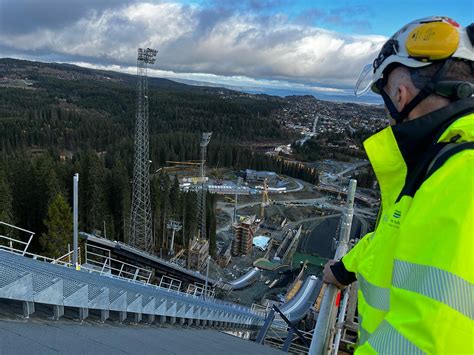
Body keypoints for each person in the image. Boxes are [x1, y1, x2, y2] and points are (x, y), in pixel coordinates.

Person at [323, 16, 474, 353]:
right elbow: (398, 236)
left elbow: (428, 341)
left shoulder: (463, 174)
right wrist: (347, 267)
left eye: (386, 93)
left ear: (400, 94)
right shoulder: (443, 161)